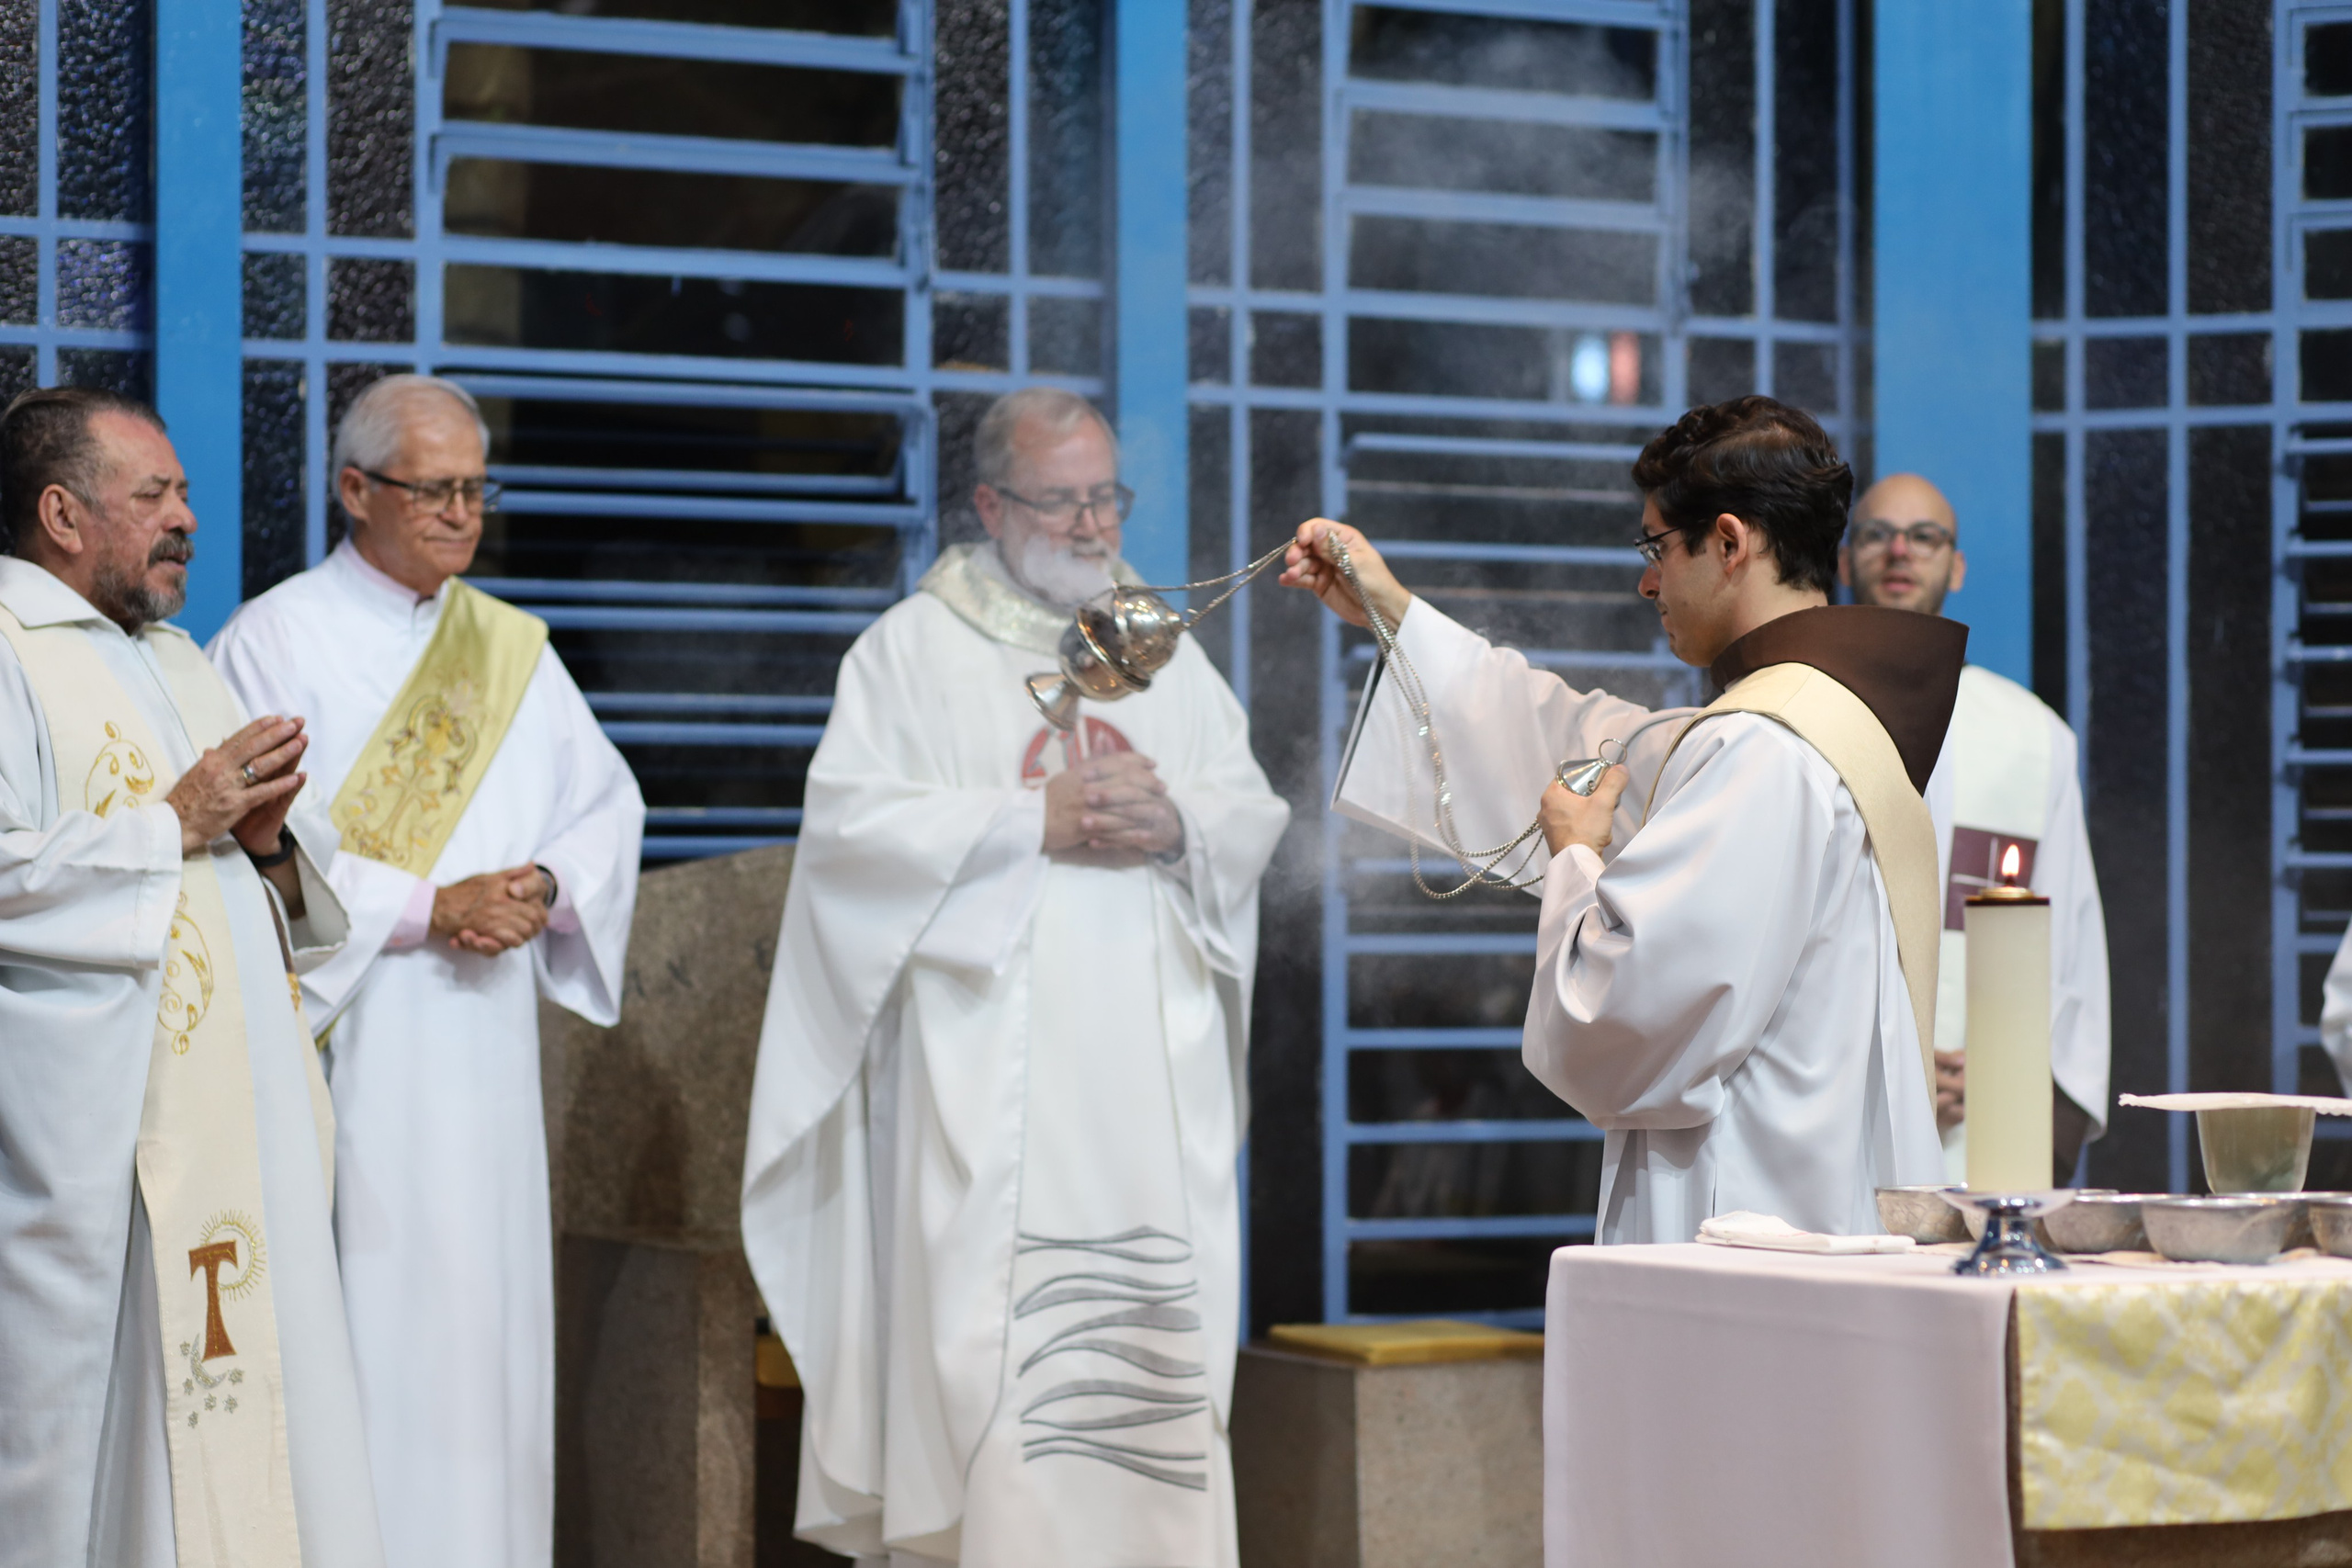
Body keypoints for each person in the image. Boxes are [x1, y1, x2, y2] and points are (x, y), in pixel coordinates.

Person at [741, 388, 1289, 1567]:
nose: (1094, 526)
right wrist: (1021, 821)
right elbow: (848, 837)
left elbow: (1247, 809)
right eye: (1062, 499)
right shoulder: (911, 652)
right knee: (990, 1359)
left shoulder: (1161, 648)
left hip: (1148, 1081)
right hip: (986, 1078)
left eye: (1106, 496)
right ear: (991, 503)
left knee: (1151, 1360)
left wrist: (1179, 823)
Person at [1283, 396, 1961, 1243]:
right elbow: (1586, 735)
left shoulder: (1763, 751)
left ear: (1727, 541)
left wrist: (1575, 859)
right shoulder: (1813, 725)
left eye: (1657, 547)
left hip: (1758, 1229)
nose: (1646, 580)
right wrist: (1395, 614)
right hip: (1806, 1200)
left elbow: (1617, 1026)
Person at [207, 375, 644, 1568]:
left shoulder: (506, 649)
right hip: (350, 1053)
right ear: (356, 488)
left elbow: (604, 801)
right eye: (434, 488)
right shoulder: (271, 641)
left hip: (486, 1059)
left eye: (474, 489)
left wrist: (544, 888)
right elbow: (247, 857)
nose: (462, 514)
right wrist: (423, 907)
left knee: (482, 1355)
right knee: (363, 1339)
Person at [0, 387, 383, 1566]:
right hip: (104, 1141)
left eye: (186, 495)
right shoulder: (7, 655)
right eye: (155, 495)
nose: (188, 520)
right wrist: (171, 822)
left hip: (238, 1130)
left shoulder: (175, 659)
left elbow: (251, 887)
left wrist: (265, 842)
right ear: (62, 513)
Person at [1842, 472, 2110, 1183]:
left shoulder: (2034, 737)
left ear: (1955, 566)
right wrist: (1884, 1069)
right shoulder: (1798, 715)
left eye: (1924, 537)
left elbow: (2068, 946)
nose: (1901, 551)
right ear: (1843, 560)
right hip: (1832, 1115)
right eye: (1877, 534)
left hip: (1983, 1129)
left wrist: (1994, 1076)